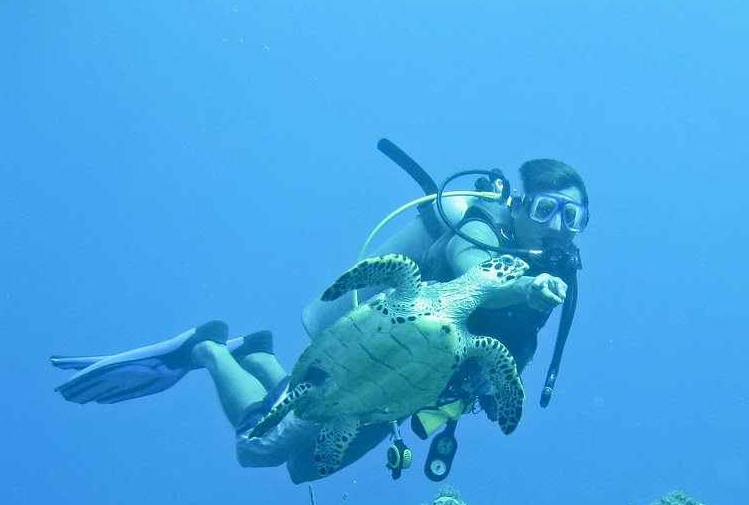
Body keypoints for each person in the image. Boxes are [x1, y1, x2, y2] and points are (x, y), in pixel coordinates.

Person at [52, 157, 588, 482]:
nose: (559, 227)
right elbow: (471, 271)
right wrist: (523, 286)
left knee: (305, 468)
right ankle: (207, 347)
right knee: (256, 450)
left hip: (399, 393)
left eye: (574, 217)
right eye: (546, 209)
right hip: (354, 361)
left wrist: (493, 393)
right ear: (516, 205)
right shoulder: (479, 233)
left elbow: (503, 358)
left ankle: (258, 353)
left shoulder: (557, 275)